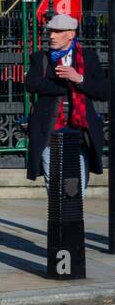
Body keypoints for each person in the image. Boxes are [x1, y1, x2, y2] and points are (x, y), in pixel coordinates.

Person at [25, 13, 109, 195]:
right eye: (50, 32)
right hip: (49, 131)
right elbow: (31, 84)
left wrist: (78, 78)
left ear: (71, 34)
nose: (52, 36)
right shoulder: (41, 58)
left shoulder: (88, 58)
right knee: (55, 188)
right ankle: (57, 223)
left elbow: (103, 92)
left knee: (78, 187)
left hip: (80, 133)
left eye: (57, 31)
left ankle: (73, 222)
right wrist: (66, 86)